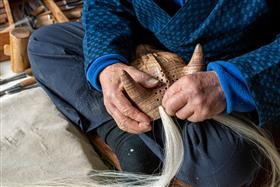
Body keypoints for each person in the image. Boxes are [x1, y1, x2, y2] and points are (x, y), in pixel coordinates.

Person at [28, 0, 280, 186]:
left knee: (226, 165)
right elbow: (105, 5)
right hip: (150, 56)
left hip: (241, 73)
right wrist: (107, 66)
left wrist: (230, 83)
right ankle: (125, 132)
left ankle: (151, 127)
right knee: (46, 45)